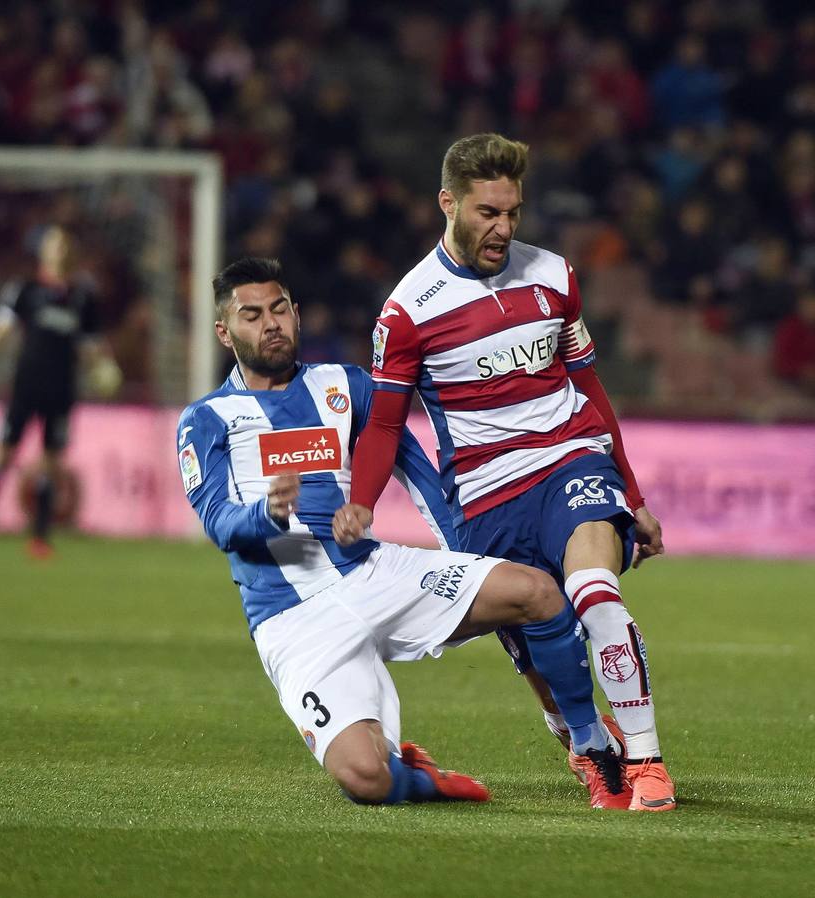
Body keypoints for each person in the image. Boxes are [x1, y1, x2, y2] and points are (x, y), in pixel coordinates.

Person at [332, 133, 676, 812]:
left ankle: (647, 761)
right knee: (539, 643)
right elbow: (384, 423)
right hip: (487, 498)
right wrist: (361, 502)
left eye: (512, 212)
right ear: (448, 203)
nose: (503, 227)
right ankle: (583, 739)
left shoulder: (554, 275)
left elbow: (591, 390)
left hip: (569, 461)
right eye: (487, 212)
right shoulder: (408, 310)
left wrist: (631, 495)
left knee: (594, 589)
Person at [179, 256, 600, 807]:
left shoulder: (343, 385)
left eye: (280, 309)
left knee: (535, 591)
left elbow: (418, 475)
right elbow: (218, 521)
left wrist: (464, 553)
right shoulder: (207, 418)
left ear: (297, 314)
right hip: (293, 618)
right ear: (225, 332)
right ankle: (419, 776)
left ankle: (587, 741)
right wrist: (268, 514)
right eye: (252, 315)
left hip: (374, 571)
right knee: (366, 779)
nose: (270, 324)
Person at [0, 224, 121, 560]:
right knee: (1, 456)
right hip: (25, 386)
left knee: (50, 463)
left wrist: (102, 367)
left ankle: (40, 538)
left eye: (63, 244)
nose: (58, 250)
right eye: (52, 243)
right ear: (43, 251)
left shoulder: (81, 297)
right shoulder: (25, 289)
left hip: (60, 390)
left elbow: (90, 345)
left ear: (71, 251)